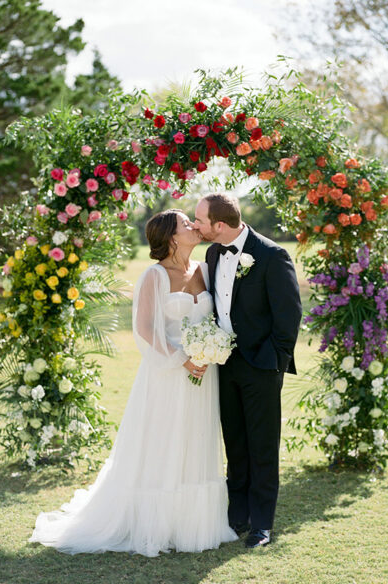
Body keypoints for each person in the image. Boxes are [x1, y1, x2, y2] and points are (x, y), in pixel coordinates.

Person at [30, 209, 237, 557]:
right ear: (171, 237)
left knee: (195, 439)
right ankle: (157, 524)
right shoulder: (153, 276)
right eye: (187, 224)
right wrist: (181, 358)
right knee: (163, 443)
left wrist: (209, 352)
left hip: (204, 373)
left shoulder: (205, 268)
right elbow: (143, 329)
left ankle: (192, 524)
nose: (194, 226)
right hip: (168, 375)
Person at [192, 193, 301, 548]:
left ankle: (262, 525)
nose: (197, 226)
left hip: (262, 366)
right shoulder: (211, 253)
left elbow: (289, 317)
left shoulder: (271, 255)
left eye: (201, 221)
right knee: (235, 443)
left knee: (262, 446)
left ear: (219, 225)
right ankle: (237, 516)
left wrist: (273, 362)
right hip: (224, 365)